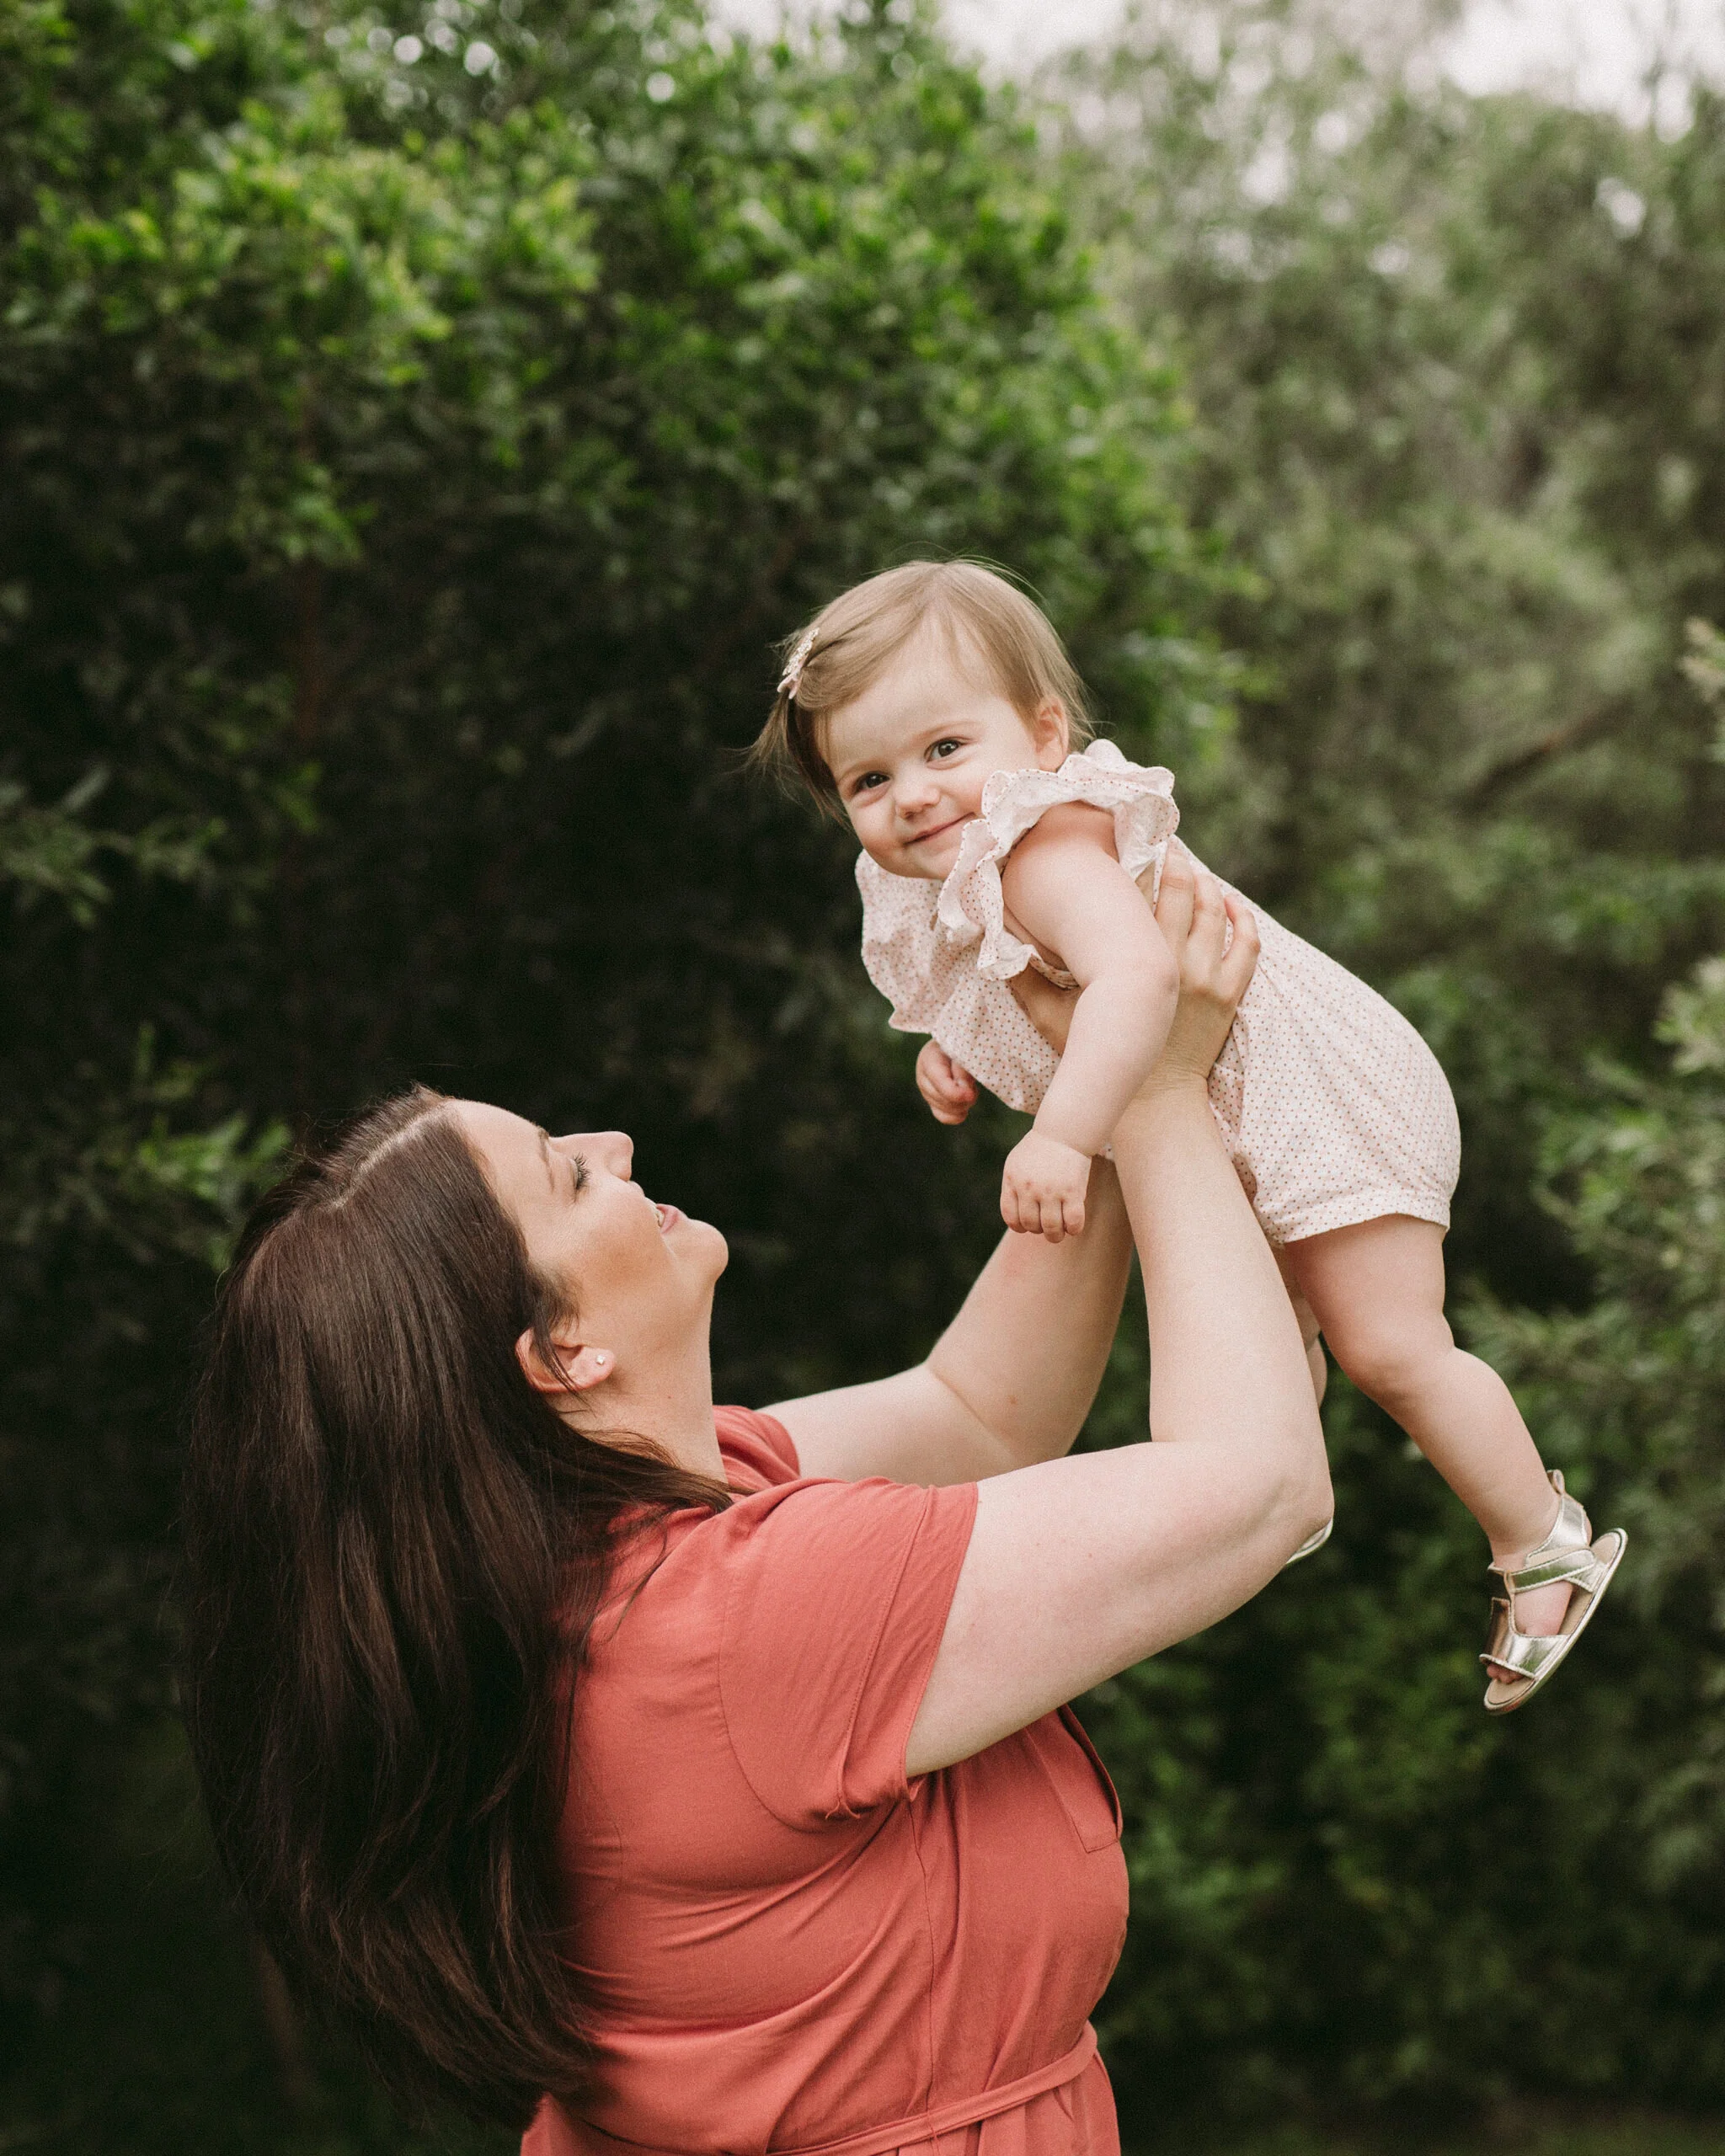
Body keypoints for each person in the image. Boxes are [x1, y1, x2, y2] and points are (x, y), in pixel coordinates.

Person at [179, 854, 1329, 2155]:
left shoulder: (618, 1549)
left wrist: (1102, 1072)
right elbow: (1258, 1488)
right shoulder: (740, 1623)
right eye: (569, 1176)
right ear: (563, 1354)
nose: (614, 1145)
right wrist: (1167, 1090)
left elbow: (979, 1412)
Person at [750, 559, 1625, 1714]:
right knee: (1269, 1318)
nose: (912, 795)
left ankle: (1540, 1541)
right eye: (870, 778)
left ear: (1043, 734)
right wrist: (960, 1046)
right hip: (1246, 1112)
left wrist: (1064, 1137)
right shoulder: (971, 874)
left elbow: (1136, 977)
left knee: (1392, 1347)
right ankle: (1264, 1498)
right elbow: (1027, 990)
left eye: (944, 749)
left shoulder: (1042, 848)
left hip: (1321, 1102)